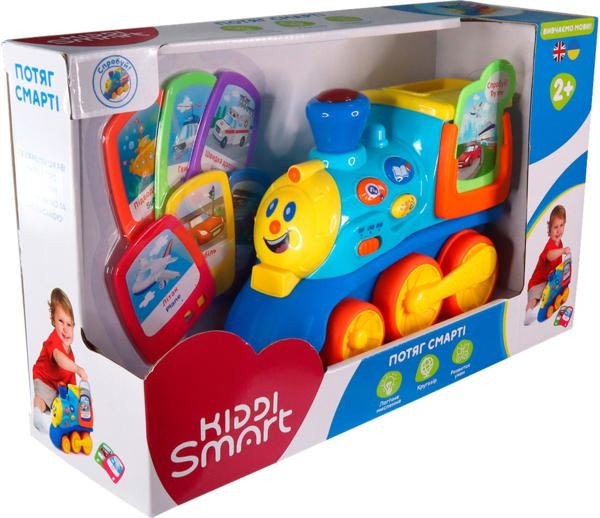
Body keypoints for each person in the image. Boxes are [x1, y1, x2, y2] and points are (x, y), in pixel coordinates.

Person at [32, 288, 87, 434]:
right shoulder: (54, 339)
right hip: (44, 377)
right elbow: (59, 358)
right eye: (61, 321)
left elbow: (70, 380)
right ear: (53, 320)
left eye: (69, 324)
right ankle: (37, 414)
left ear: (73, 327)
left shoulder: (71, 355)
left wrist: (76, 398)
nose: (65, 329)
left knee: (65, 405)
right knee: (42, 397)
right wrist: (78, 369)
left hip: (57, 387)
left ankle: (66, 429)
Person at [524, 205, 570, 326]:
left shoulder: (560, 243)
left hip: (548, 281)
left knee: (551, 294)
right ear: (549, 230)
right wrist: (563, 251)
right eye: (555, 227)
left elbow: (558, 264)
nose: (558, 230)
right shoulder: (550, 245)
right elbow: (550, 256)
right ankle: (528, 314)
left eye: (561, 225)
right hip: (538, 281)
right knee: (534, 299)